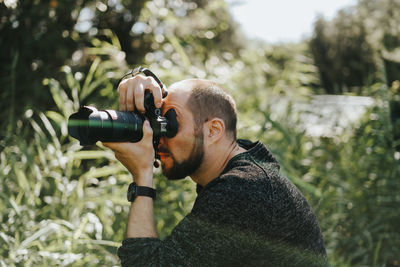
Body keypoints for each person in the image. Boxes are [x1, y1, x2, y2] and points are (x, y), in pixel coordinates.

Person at [103, 73, 329, 266]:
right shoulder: (251, 172)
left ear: (213, 130)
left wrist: (142, 176)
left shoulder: (243, 189)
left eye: (169, 124)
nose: (159, 138)